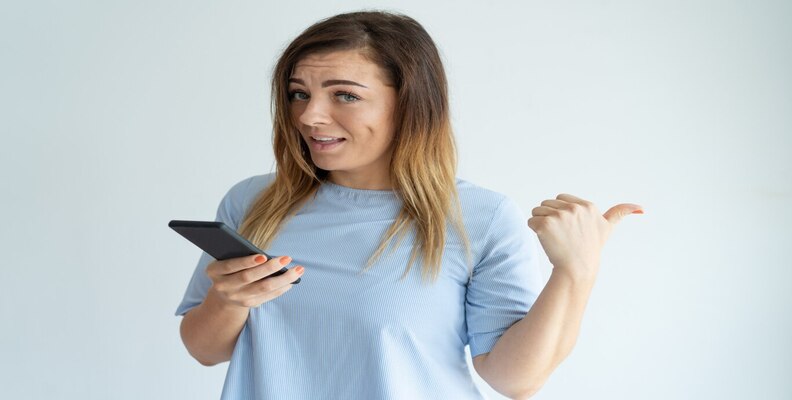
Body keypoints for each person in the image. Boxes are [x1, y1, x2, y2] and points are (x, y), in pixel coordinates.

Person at [175, 10, 643, 400]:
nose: (309, 116)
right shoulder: (254, 202)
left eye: (344, 95)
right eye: (300, 93)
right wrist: (229, 298)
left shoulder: (477, 218)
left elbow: (514, 378)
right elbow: (205, 349)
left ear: (412, 103)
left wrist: (575, 272)